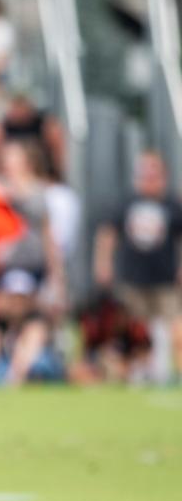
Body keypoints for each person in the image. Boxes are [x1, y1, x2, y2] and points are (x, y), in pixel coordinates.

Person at [94, 150, 182, 381]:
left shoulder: (172, 203)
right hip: (132, 278)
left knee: (171, 326)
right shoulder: (127, 202)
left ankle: (169, 370)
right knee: (136, 330)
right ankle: (140, 371)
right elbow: (108, 233)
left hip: (165, 279)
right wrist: (104, 263)